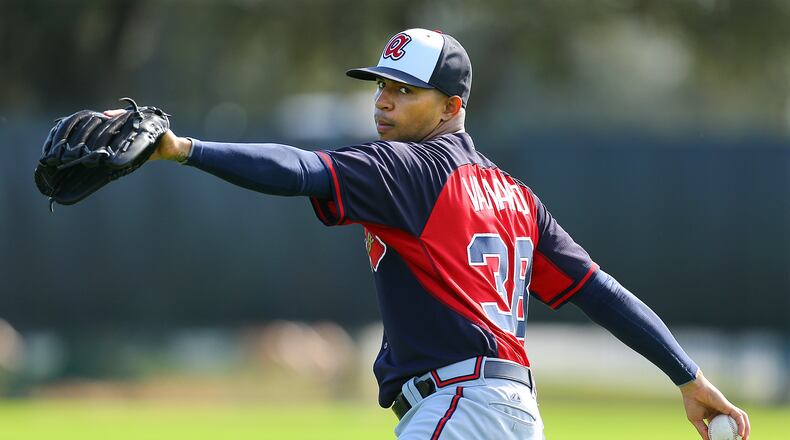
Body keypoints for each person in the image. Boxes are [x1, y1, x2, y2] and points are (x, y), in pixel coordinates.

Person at [107, 28, 750, 439]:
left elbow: (300, 169)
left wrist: (181, 148)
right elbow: (598, 290)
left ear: (451, 107)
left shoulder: (408, 170)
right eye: (382, 86)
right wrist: (686, 374)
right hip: (515, 415)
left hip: (458, 409)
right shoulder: (517, 196)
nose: (383, 101)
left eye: (405, 90)